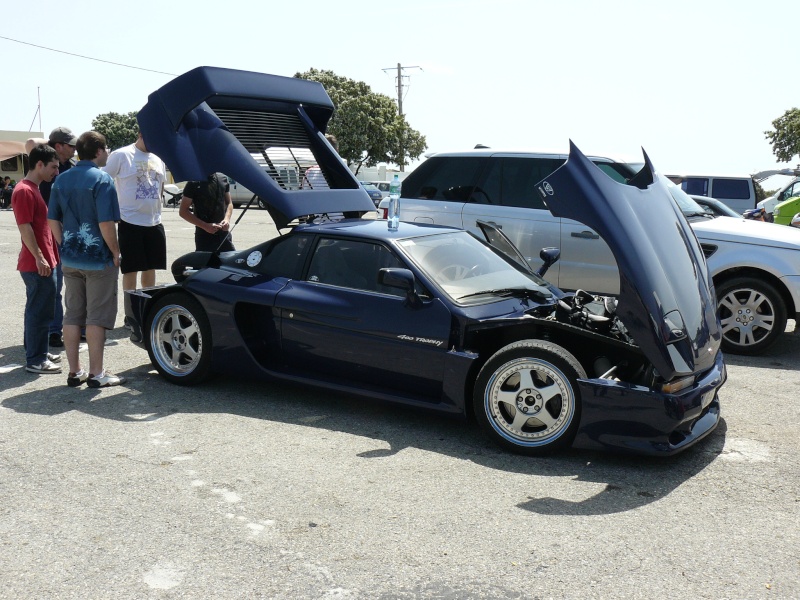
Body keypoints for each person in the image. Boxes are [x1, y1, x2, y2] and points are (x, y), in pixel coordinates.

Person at [48, 131, 125, 388]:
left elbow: (52, 219)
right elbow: (106, 223)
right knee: (96, 317)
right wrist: (115, 251)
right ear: (99, 151)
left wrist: (64, 244)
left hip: (70, 258)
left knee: (72, 315)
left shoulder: (62, 179)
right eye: (106, 149)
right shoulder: (103, 179)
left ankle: (74, 371)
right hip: (97, 260)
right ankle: (96, 373)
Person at [103, 131, 166, 328]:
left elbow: (160, 188)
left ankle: (148, 310)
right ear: (140, 133)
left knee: (151, 268)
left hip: (154, 221)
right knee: (131, 270)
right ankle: (131, 315)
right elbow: (104, 182)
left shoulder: (158, 158)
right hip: (129, 221)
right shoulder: (122, 155)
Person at [12, 144, 62, 374]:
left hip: (42, 261)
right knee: (39, 311)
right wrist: (40, 258)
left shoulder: (34, 188)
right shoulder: (24, 190)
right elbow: (25, 228)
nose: (56, 172)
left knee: (40, 309)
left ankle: (37, 350)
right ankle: (35, 358)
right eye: (53, 167)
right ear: (39, 164)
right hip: (36, 264)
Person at [28, 127, 79, 349]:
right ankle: (53, 331)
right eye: (71, 145)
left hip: (73, 232)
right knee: (54, 287)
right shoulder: (43, 165)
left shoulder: (73, 167)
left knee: (78, 283)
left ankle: (79, 327)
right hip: (50, 233)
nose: (75, 149)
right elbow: (31, 141)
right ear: (57, 146)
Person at [179, 172, 235, 252]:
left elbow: (229, 203)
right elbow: (183, 211)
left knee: (230, 263)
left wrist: (227, 219)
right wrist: (205, 226)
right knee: (205, 264)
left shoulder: (223, 178)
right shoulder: (194, 182)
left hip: (224, 235)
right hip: (204, 237)